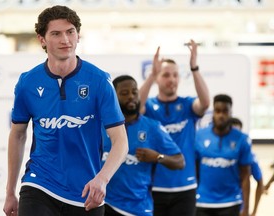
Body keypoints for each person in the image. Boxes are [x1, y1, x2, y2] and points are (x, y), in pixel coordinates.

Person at [3, 5, 128, 216]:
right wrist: (9, 192)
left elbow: (121, 141)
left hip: (86, 192)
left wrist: (102, 180)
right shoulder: (27, 82)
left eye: (70, 32)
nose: (65, 40)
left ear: (78, 36)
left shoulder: (99, 81)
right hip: (39, 184)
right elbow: (17, 135)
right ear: (42, 39)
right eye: (56, 34)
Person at [139, 39, 210, 216]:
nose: (171, 79)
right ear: (157, 78)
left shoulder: (187, 105)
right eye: (165, 75)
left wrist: (194, 68)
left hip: (185, 187)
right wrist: (151, 76)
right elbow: (135, 107)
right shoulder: (149, 106)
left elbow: (205, 103)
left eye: (175, 75)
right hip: (154, 186)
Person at [102, 75, 185, 216]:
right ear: (113, 97)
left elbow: (180, 161)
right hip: (104, 203)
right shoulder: (100, 125)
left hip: (138, 208)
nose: (131, 97)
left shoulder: (153, 127)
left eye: (135, 92)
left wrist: (158, 157)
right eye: (124, 93)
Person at [195, 94, 253, 216]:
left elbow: (245, 176)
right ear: (213, 113)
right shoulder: (199, 136)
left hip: (231, 202)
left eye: (225, 111)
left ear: (231, 113)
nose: (221, 115)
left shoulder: (242, 140)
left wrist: (246, 209)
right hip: (203, 202)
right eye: (217, 111)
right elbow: (194, 171)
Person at [231, 117, 264, 216]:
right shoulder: (213, 153)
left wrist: (253, 211)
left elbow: (260, 182)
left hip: (238, 207)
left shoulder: (249, 156)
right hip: (213, 205)